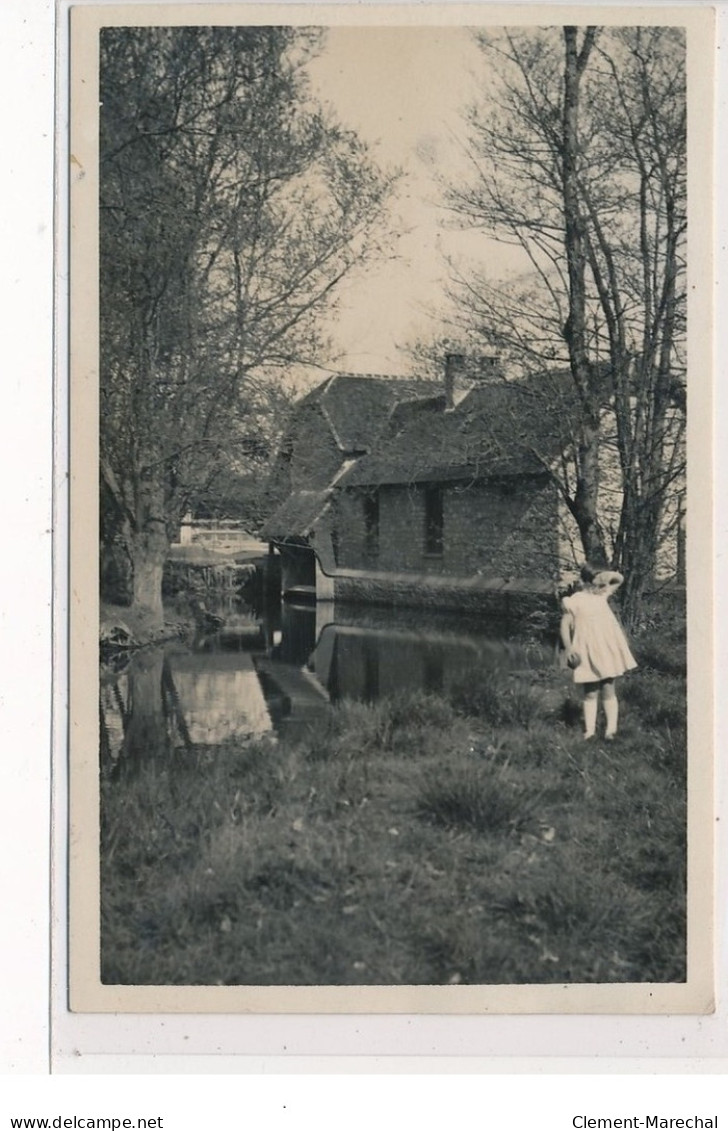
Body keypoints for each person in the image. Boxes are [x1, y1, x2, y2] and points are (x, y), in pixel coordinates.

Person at [559, 564, 637, 740]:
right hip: (585, 649)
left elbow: (619, 579)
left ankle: (611, 730)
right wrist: (569, 647)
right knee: (590, 691)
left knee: (608, 687)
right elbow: (564, 626)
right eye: (596, 582)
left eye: (601, 582)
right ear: (585, 581)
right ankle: (590, 732)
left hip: (605, 649)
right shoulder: (575, 599)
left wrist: (604, 577)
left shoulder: (603, 594)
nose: (600, 586)